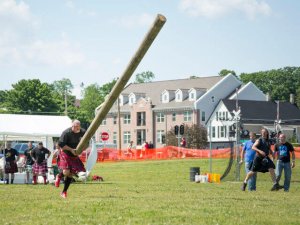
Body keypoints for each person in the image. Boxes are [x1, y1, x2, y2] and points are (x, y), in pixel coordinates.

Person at [57, 119, 87, 198]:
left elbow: (87, 143)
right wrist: (71, 149)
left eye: (77, 127)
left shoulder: (83, 132)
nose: (75, 128)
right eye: (74, 126)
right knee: (66, 172)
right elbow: (61, 145)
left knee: (71, 173)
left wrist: (81, 150)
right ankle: (59, 176)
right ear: (72, 125)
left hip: (74, 155)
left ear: (79, 126)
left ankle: (64, 192)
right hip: (65, 153)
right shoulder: (66, 133)